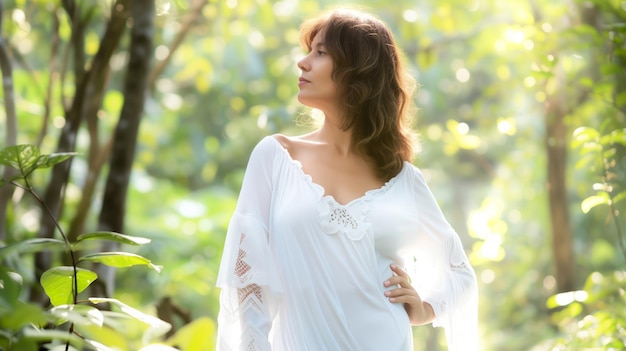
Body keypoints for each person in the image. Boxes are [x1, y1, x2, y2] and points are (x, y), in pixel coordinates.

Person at [216, 8, 478, 351]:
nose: (303, 62)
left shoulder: (402, 178)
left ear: (360, 72)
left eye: (321, 53)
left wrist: (426, 308)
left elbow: (459, 273)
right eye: (309, 50)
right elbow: (246, 280)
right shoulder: (276, 157)